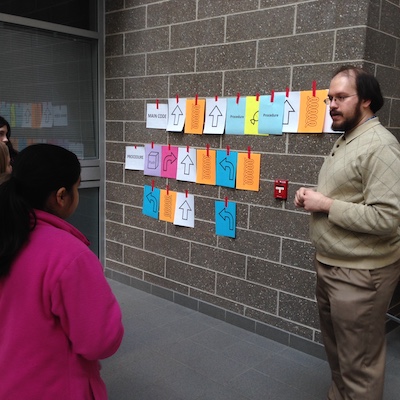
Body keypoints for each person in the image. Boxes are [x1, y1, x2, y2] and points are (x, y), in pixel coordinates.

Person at [294, 66, 400, 400]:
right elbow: (349, 195)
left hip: (360, 275)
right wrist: (314, 198)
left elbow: (387, 217)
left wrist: (324, 203)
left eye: (341, 97)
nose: (332, 105)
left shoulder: (381, 145)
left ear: (366, 99)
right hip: (331, 265)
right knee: (339, 354)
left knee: (360, 364)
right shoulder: (348, 139)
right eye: (329, 98)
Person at [0, 143, 124, 400]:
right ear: (61, 196)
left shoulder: (7, 234)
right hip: (55, 386)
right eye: (76, 188)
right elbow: (101, 340)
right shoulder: (69, 256)